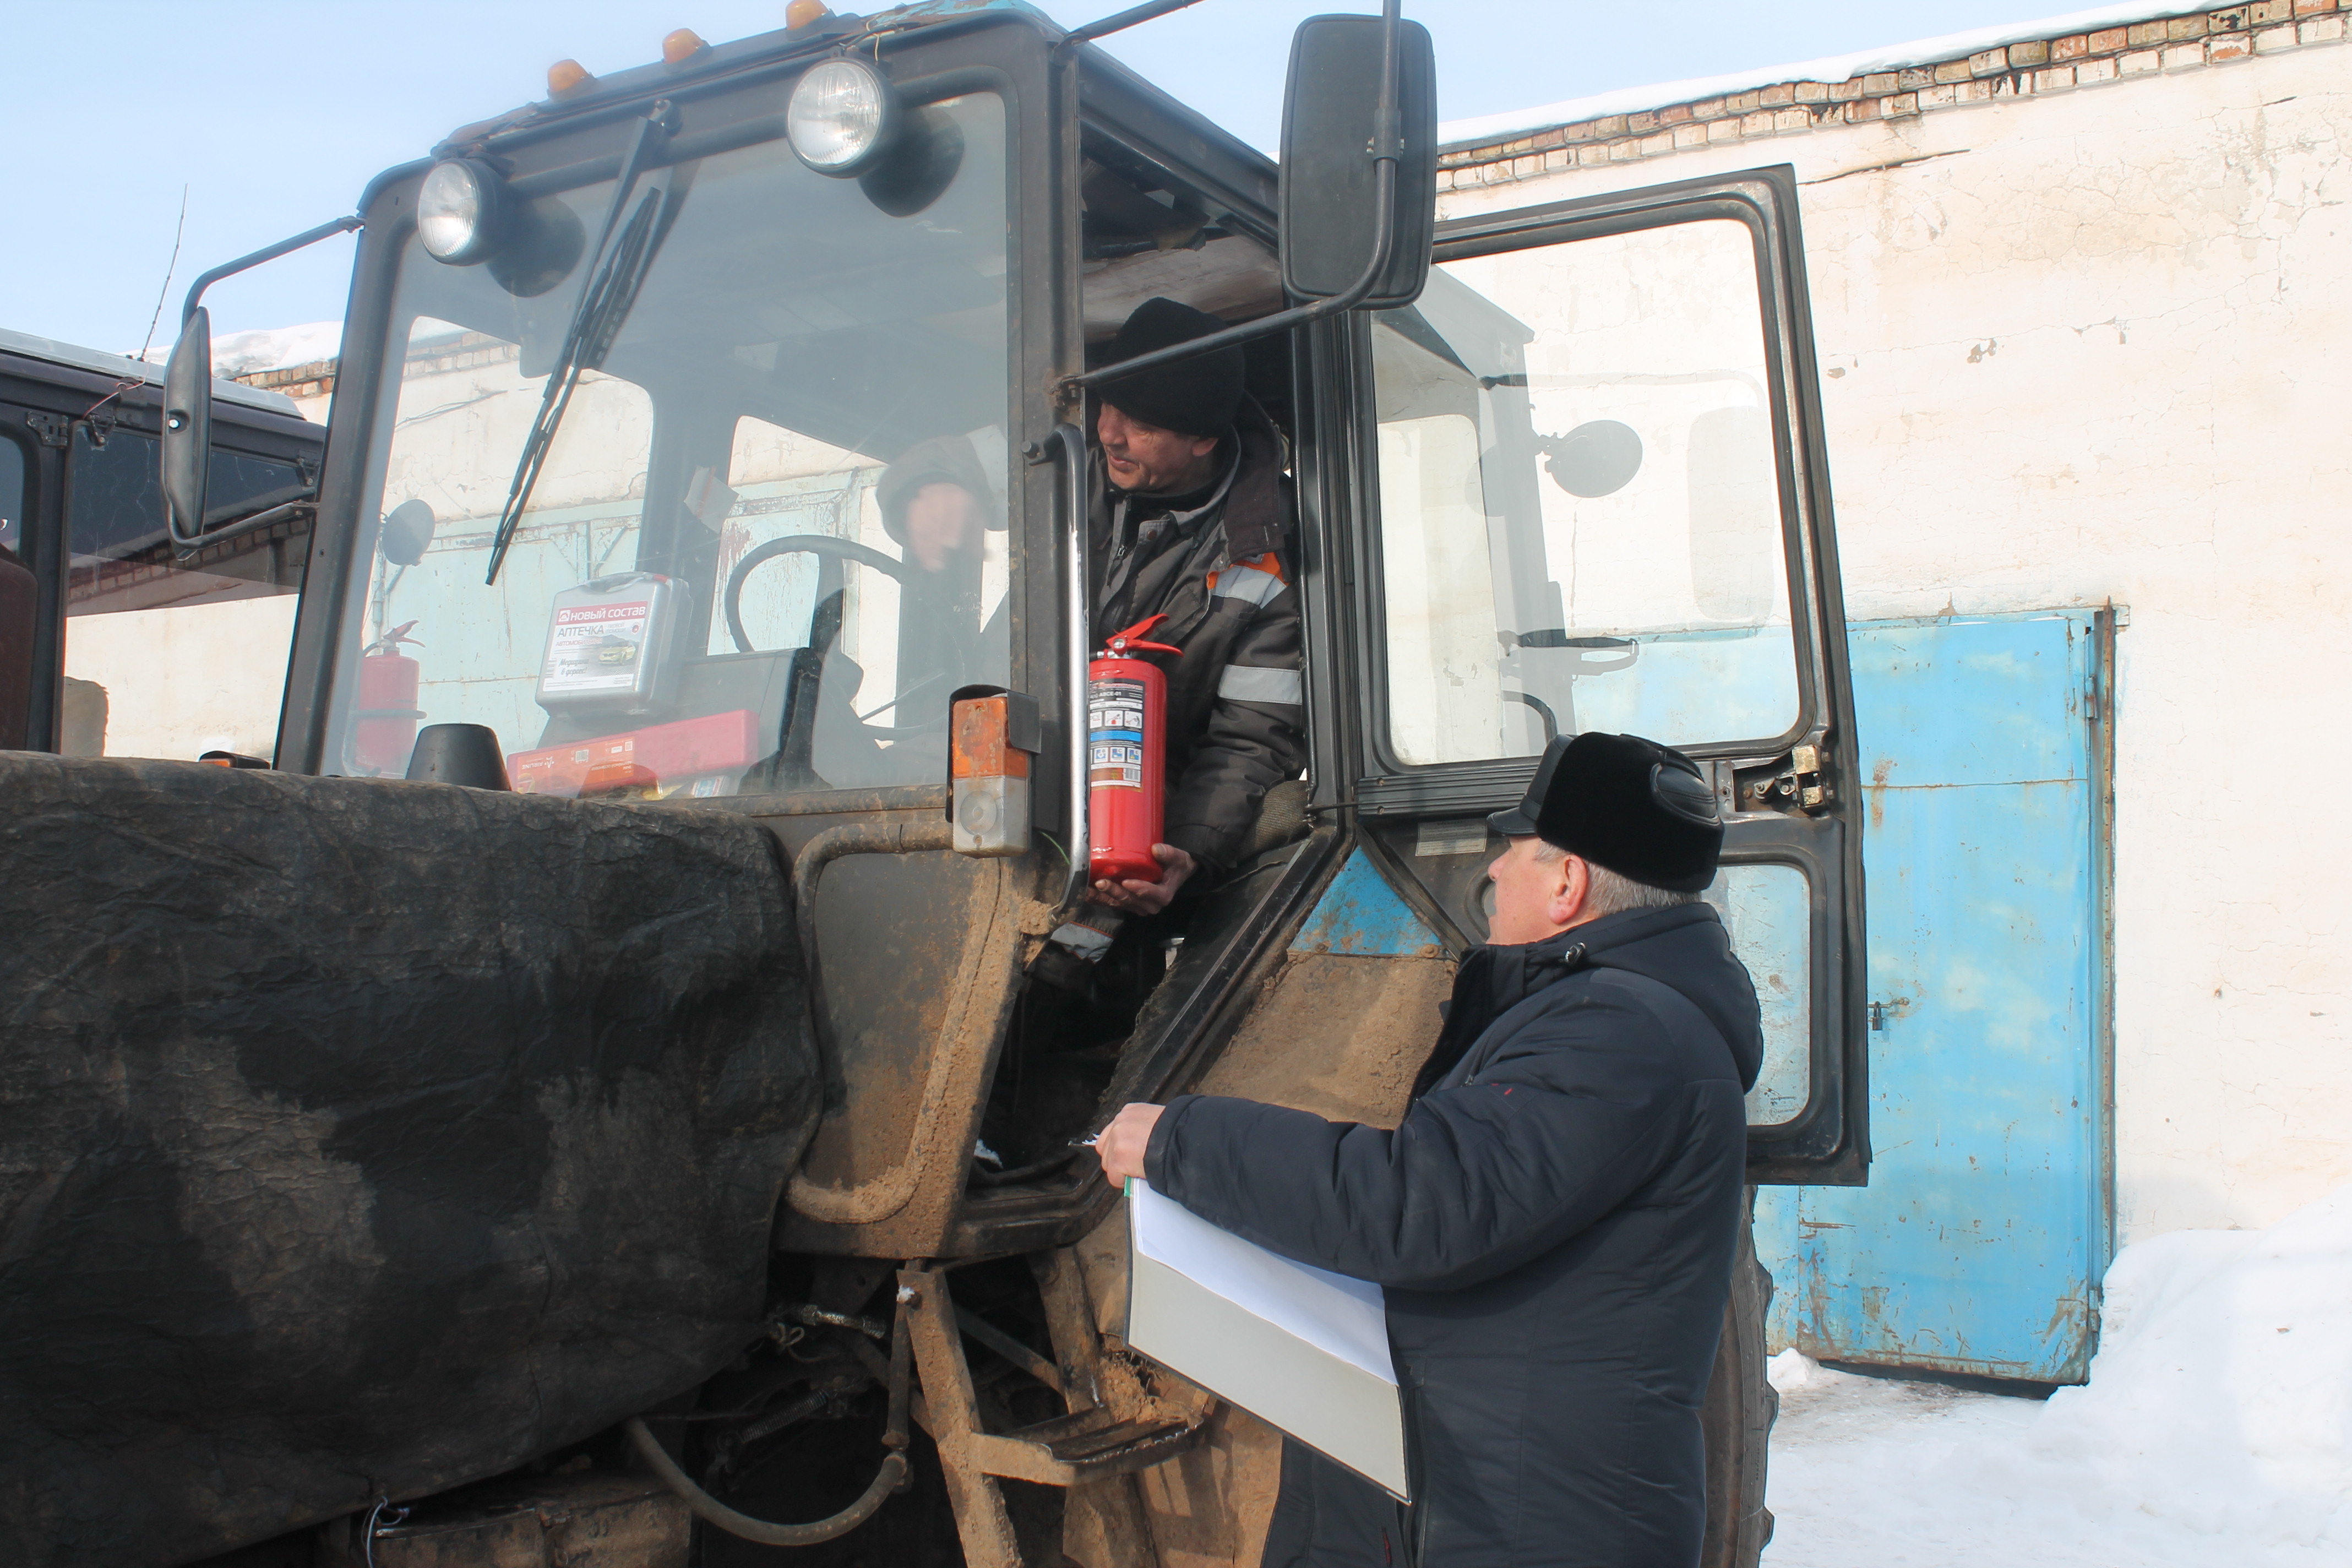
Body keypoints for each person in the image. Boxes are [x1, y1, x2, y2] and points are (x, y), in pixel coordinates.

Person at [1096, 731, 1765, 1568]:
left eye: (1514, 850)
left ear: (1569, 882)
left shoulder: (1617, 1033)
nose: (1492, 871)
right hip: (1487, 1501)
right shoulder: (1613, 1019)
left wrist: (1181, 1139)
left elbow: (1422, 1204)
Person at [1039, 297, 1306, 979]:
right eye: (1108, 407)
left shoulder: (1264, 551)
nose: (1110, 433)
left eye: (1143, 424)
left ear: (1203, 441)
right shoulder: (1054, 488)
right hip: (1030, 795)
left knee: (1064, 983)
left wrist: (1183, 852)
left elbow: (1250, 736)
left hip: (1148, 814)